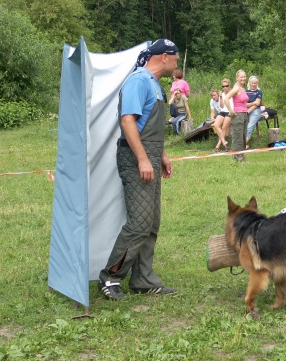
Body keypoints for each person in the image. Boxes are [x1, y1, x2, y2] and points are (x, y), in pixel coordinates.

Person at [98, 39, 179, 300]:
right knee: (139, 223)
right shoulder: (138, 81)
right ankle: (110, 278)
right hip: (136, 160)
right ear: (164, 56)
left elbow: (149, 127)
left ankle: (143, 278)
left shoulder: (155, 85)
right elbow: (127, 121)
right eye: (176, 58)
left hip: (151, 157)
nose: (177, 63)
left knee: (152, 221)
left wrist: (162, 156)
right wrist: (143, 159)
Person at [224, 69, 249, 162]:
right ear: (237, 78)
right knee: (237, 137)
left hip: (244, 114)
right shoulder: (236, 88)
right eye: (241, 77)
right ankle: (236, 158)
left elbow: (244, 103)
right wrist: (230, 111)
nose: (243, 78)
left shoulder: (243, 88)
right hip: (237, 115)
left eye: (244, 76)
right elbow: (226, 98)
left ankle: (241, 157)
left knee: (243, 137)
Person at [210, 80, 232, 152]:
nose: (225, 88)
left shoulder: (232, 93)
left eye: (226, 86)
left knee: (224, 128)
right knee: (215, 125)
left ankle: (218, 146)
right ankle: (224, 142)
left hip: (230, 112)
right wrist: (221, 97)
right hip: (223, 111)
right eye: (223, 86)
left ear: (229, 86)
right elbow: (222, 106)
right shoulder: (222, 94)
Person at [245, 76, 263, 148]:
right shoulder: (246, 92)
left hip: (255, 110)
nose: (254, 84)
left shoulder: (259, 92)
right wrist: (252, 103)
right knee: (243, 126)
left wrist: (248, 112)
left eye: (255, 83)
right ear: (249, 83)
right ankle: (243, 144)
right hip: (246, 109)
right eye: (252, 83)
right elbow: (244, 103)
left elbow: (257, 104)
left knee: (249, 127)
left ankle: (242, 145)